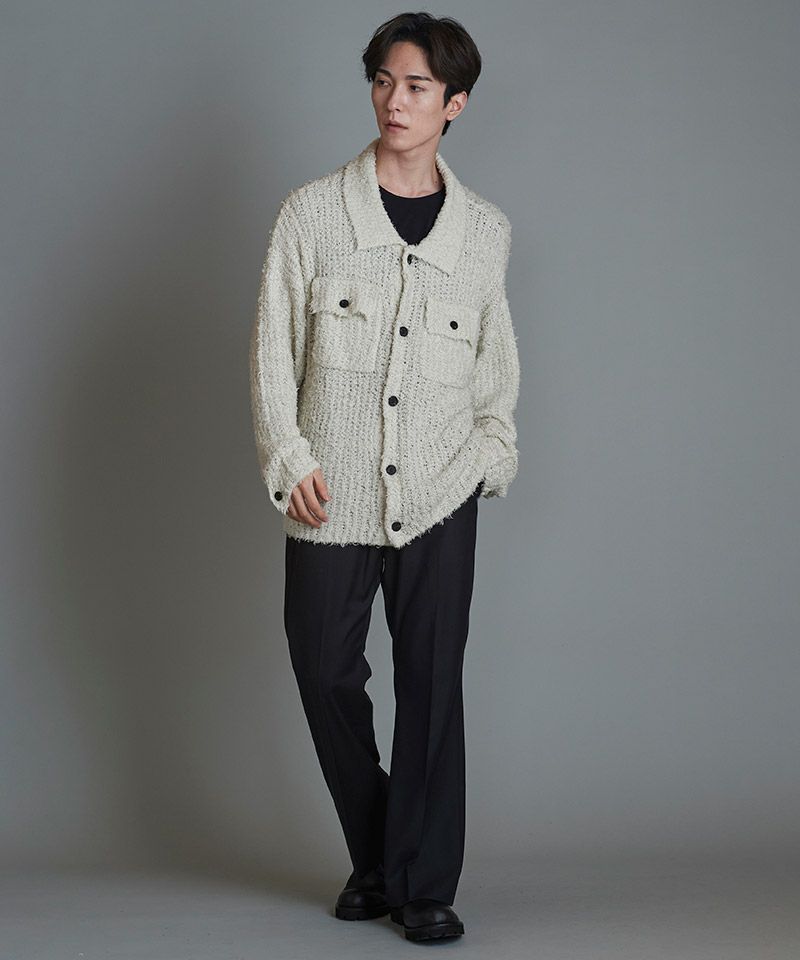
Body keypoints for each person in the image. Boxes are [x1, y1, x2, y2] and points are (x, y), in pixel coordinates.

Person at [249, 11, 520, 943]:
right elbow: (273, 352)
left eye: (416, 87)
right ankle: (381, 856)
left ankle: (424, 885)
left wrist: (490, 453)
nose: (394, 102)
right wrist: (289, 458)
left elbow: (494, 365)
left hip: (442, 490)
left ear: (455, 105)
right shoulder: (312, 215)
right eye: (382, 81)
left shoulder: (484, 233)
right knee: (323, 667)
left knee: (432, 684)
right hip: (331, 493)